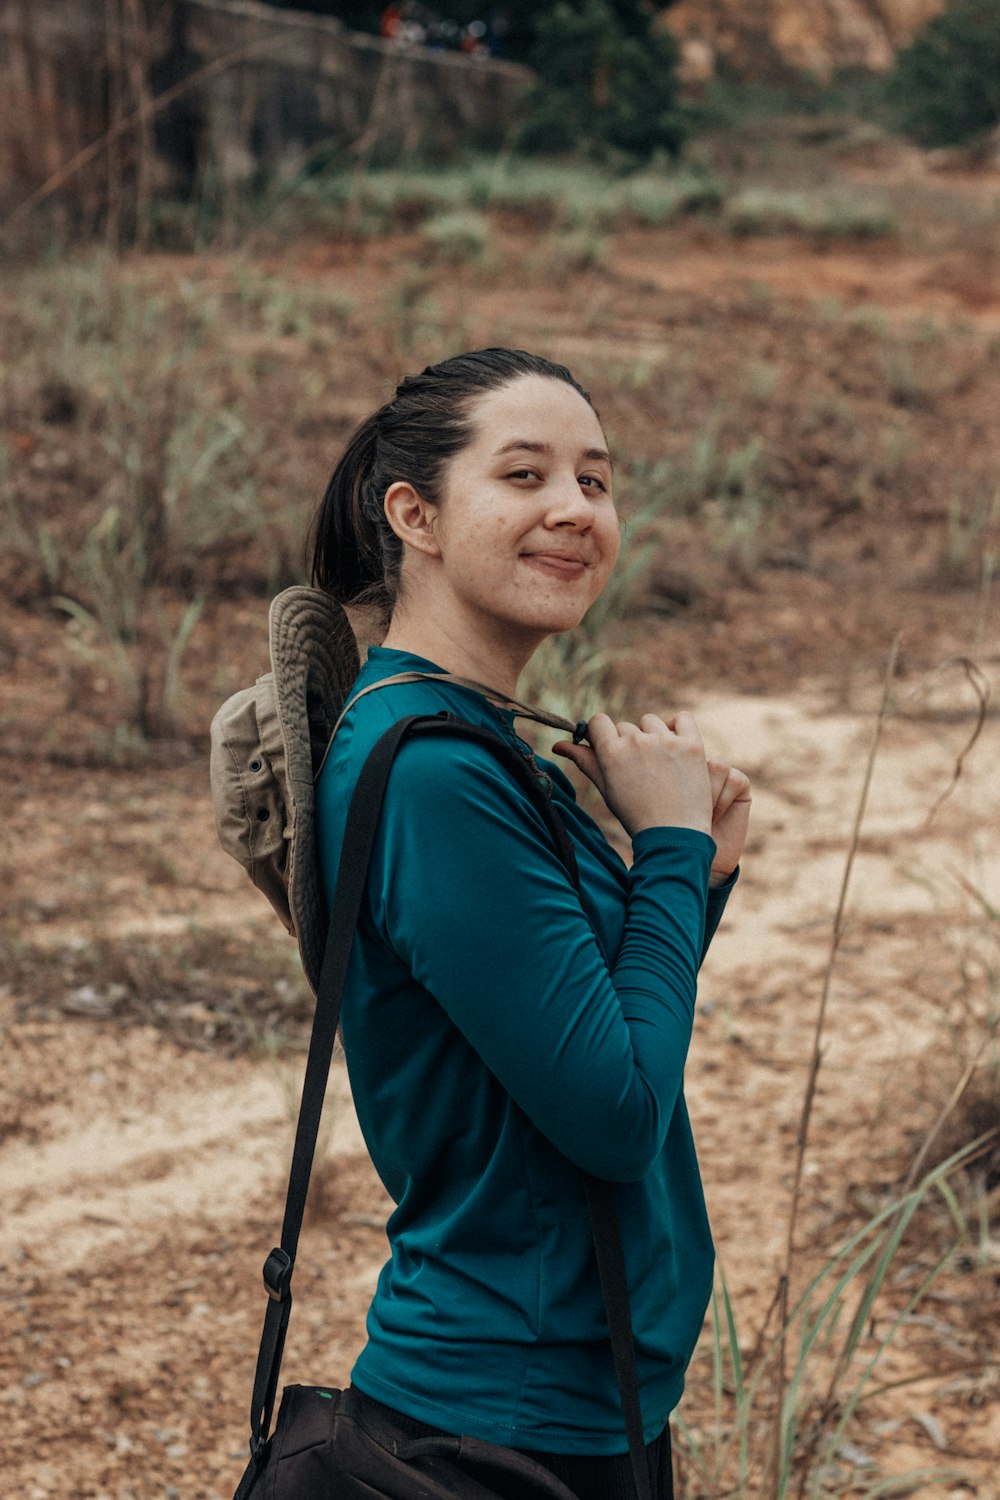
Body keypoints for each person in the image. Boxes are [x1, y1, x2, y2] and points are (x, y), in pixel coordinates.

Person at [309, 348, 750, 1499]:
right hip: (500, 1425)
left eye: (595, 482)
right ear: (416, 514)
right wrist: (664, 849)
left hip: (571, 1388)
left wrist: (690, 881)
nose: (573, 510)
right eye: (523, 475)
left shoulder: (482, 740)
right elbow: (611, 1114)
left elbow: (584, 1039)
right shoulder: (433, 772)